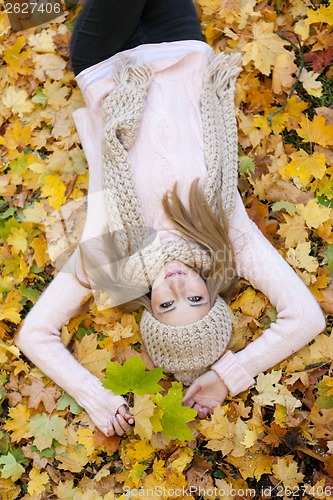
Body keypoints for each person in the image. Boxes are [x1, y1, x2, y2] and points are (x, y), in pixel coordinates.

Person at [15, 0, 326, 438]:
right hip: (179, 43)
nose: (179, 287)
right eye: (195, 300)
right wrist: (228, 376)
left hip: (105, 65)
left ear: (148, 306)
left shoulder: (112, 259)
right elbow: (306, 317)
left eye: (166, 304)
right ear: (212, 294)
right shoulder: (227, 238)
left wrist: (95, 395)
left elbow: (35, 334)